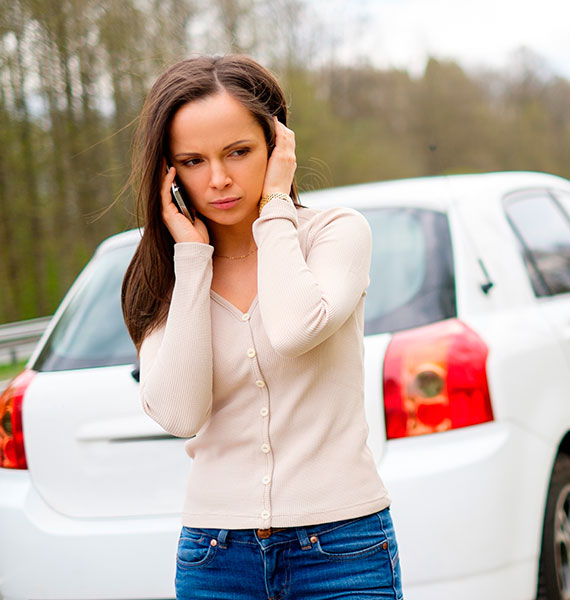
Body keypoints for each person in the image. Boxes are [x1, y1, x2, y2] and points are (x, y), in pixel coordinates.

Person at [120, 54, 402, 600]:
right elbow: (181, 414)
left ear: (278, 147)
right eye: (193, 161)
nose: (219, 179)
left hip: (342, 549)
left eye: (239, 152)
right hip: (215, 557)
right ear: (168, 173)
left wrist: (274, 205)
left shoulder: (333, 235)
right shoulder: (165, 273)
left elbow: (295, 329)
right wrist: (194, 260)